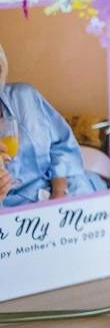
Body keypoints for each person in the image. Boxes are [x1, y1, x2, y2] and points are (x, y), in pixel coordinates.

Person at [0, 40, 101, 207]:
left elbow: (60, 144)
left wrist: (59, 192)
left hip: (59, 185)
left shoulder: (25, 97)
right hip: (12, 209)